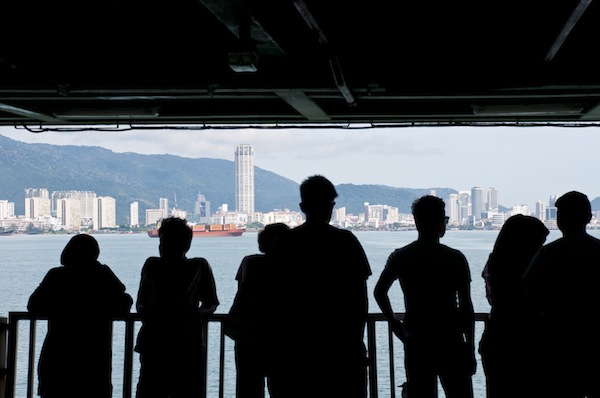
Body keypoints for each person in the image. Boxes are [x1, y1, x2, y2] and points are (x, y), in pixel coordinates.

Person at [267, 175, 372, 398]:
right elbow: (359, 299)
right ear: (331, 206)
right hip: (341, 349)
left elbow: (273, 299)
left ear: (303, 207)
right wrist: (355, 342)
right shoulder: (346, 242)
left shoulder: (285, 244)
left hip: (294, 351)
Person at [374, 195, 475, 398]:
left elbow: (379, 291)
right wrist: (470, 348)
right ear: (440, 222)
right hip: (450, 340)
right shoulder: (455, 258)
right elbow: (466, 307)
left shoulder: (401, 256)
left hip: (417, 340)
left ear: (416, 221)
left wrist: (395, 325)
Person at [27, 234, 133, 398]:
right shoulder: (102, 275)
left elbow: (33, 305)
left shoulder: (56, 275)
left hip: (58, 354)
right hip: (94, 357)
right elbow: (124, 301)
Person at [523, 191, 600, 398]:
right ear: (589, 217)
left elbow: (528, 299)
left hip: (556, 346)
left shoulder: (547, 254)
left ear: (559, 220)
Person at [134, 216, 219, 398]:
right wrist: (195, 314)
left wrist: (150, 314)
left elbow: (140, 303)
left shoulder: (152, 266)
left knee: (149, 390)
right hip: (187, 342)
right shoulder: (199, 266)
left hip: (156, 341)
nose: (163, 246)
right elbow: (211, 303)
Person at [478, 214, 549, 398]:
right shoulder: (536, 267)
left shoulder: (494, 263)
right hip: (528, 343)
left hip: (496, 340)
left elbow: (493, 299)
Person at [226, 222, 291, 398]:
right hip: (283, 338)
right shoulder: (293, 268)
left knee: (247, 388)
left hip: (248, 336)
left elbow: (242, 293)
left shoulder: (249, 262)